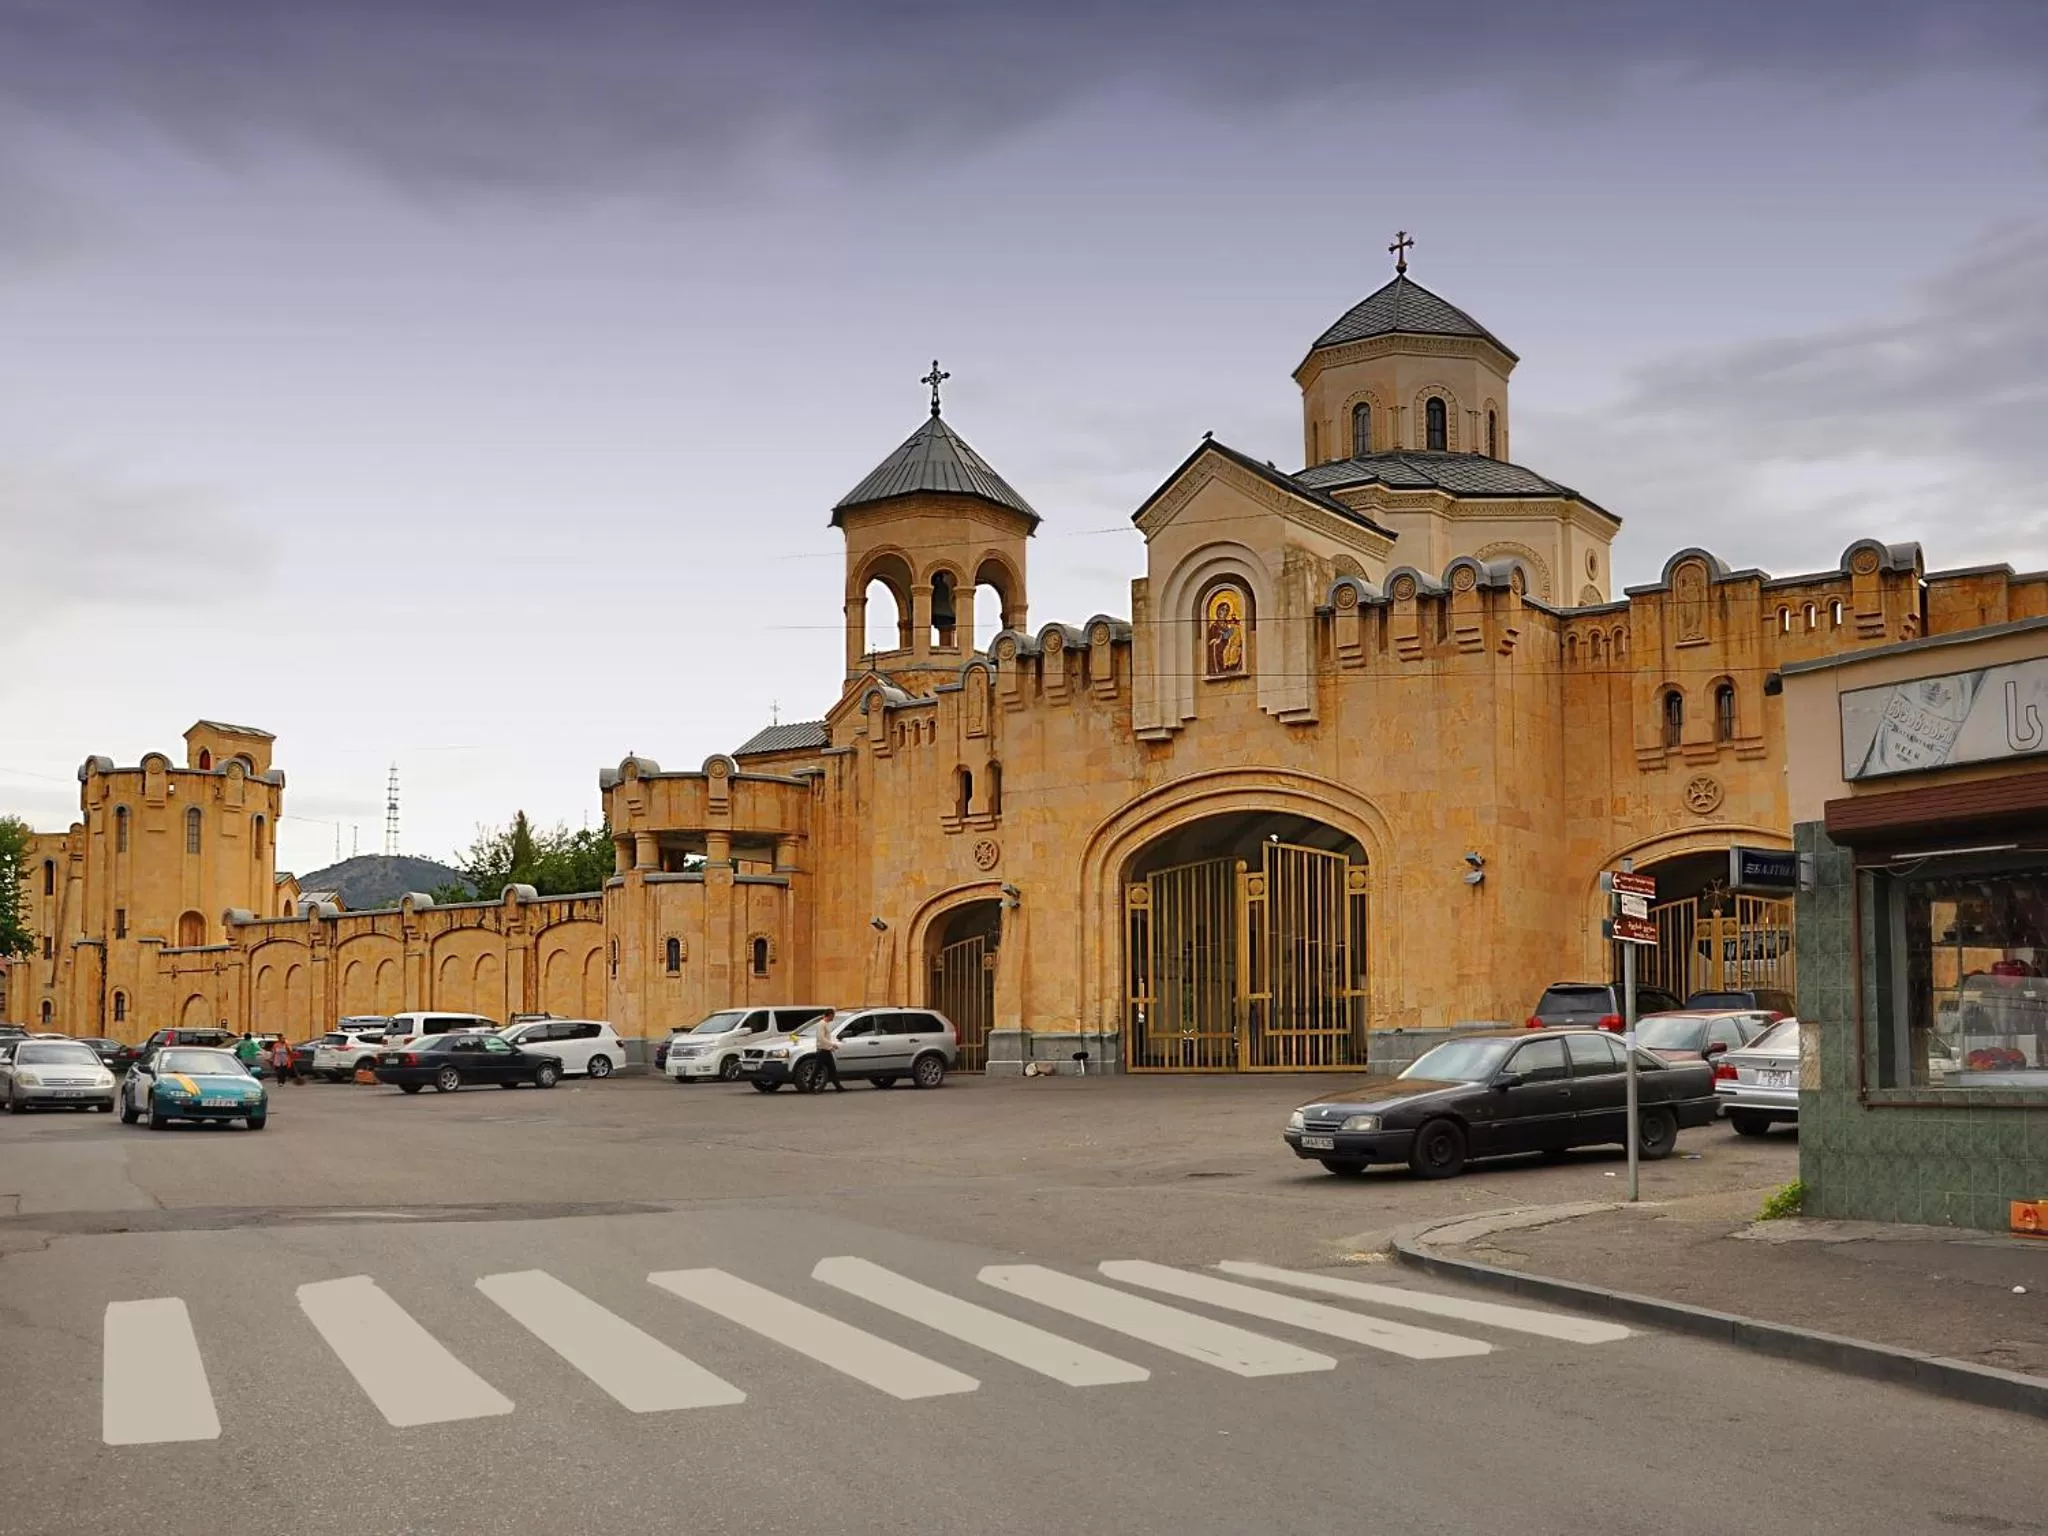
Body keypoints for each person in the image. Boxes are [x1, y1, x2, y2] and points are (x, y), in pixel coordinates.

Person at [811, 1020, 844, 1093]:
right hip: (822, 1051)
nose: (833, 1017)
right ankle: (811, 1086)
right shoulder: (822, 1024)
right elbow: (821, 1038)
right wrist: (832, 1045)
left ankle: (838, 1087)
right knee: (817, 1069)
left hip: (826, 1051)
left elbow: (825, 1038)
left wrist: (830, 1048)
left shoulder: (825, 1024)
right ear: (830, 1015)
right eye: (833, 1015)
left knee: (832, 1069)